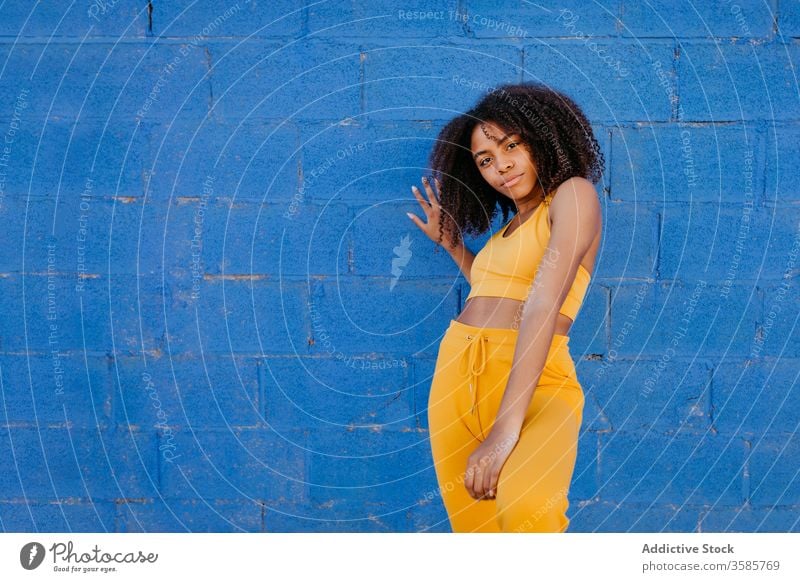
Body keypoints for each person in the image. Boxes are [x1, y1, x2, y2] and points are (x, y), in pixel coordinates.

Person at [406, 82, 604, 532]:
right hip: (457, 379)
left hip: (537, 383)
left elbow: (541, 306)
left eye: (511, 145)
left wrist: (505, 430)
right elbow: (492, 288)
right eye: (485, 160)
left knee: (526, 512)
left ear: (543, 138)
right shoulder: (507, 231)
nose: (502, 166)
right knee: (477, 534)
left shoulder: (573, 196)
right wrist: (454, 246)